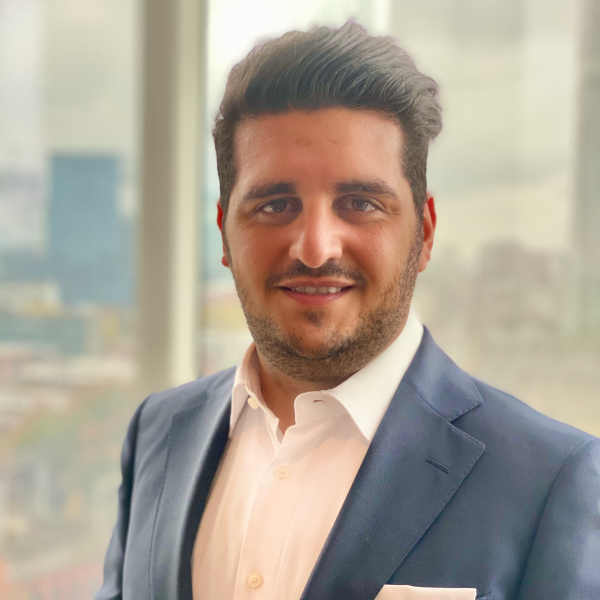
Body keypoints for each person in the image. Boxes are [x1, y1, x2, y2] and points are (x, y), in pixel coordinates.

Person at [96, 23, 600, 600]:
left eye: (360, 203)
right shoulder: (159, 431)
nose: (315, 248)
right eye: (275, 204)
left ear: (424, 232)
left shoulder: (549, 482)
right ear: (225, 232)